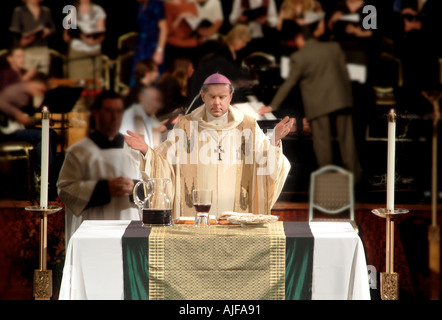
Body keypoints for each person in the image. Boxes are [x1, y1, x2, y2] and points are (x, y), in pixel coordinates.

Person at [124, 72, 294, 218]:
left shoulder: (248, 126)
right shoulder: (187, 125)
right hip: (195, 215)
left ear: (231, 97)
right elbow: (165, 164)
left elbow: (266, 166)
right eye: (212, 97)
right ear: (204, 97)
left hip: (237, 215)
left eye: (222, 97)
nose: (217, 103)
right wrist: (146, 150)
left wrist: (274, 141)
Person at [259, 22, 361, 182]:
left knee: (323, 144)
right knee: (347, 142)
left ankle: (327, 182)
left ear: (300, 38)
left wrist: (272, 105)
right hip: (341, 101)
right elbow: (344, 76)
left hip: (318, 105)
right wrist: (348, 100)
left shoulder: (299, 57)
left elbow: (289, 83)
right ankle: (355, 181)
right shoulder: (333, 47)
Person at [57, 91, 142, 245]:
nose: (114, 117)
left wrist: (134, 187)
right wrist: (104, 189)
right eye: (109, 111)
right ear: (96, 113)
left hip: (130, 229)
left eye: (118, 111)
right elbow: (65, 190)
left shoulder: (134, 149)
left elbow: (154, 186)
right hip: (93, 231)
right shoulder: (79, 152)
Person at [63, 0, 107, 80]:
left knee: (93, 82)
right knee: (76, 81)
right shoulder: (72, 10)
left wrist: (93, 41)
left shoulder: (98, 10)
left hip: (93, 51)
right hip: (77, 52)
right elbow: (66, 36)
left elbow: (102, 34)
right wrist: (77, 35)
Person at [9, 0, 56, 75]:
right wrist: (23, 41)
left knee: (42, 77)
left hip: (42, 48)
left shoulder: (46, 11)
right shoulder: (19, 11)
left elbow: (53, 28)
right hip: (27, 50)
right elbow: (14, 30)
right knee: (27, 76)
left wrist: (48, 31)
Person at [130, 0, 168, 86]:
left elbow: (164, 29)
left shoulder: (155, 4)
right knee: (138, 76)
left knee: (153, 76)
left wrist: (159, 51)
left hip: (152, 48)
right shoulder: (141, 5)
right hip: (141, 47)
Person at [120, 85, 165, 149]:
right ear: (141, 97)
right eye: (153, 100)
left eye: (158, 101)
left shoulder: (151, 119)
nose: (157, 105)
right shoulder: (131, 114)